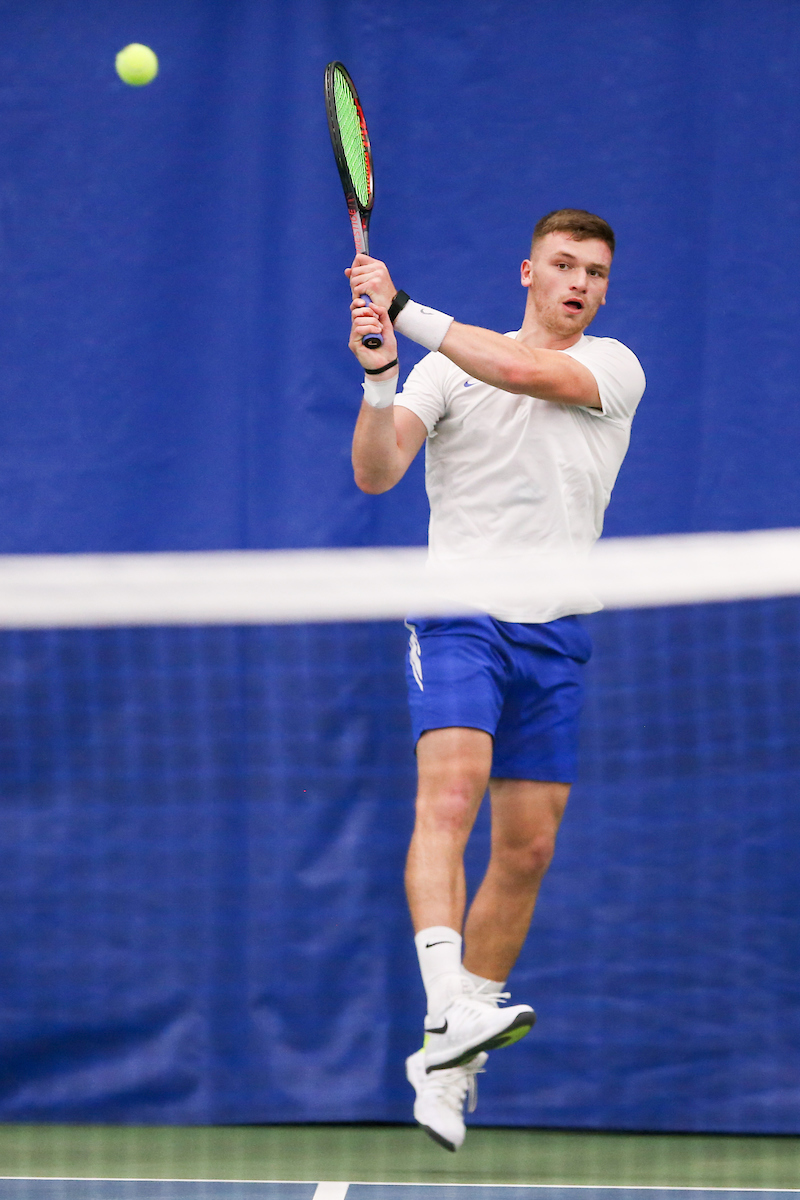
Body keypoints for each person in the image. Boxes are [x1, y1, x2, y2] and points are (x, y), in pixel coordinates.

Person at [345, 209, 646, 1151]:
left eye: (593, 272)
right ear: (527, 271)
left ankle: (452, 1062)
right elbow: (377, 471)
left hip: (556, 633)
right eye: (563, 264)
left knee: (527, 849)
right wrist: (379, 376)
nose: (579, 283)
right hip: (461, 616)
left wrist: (402, 305)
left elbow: (519, 371)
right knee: (453, 796)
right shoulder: (440, 370)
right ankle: (448, 1006)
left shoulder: (612, 367)